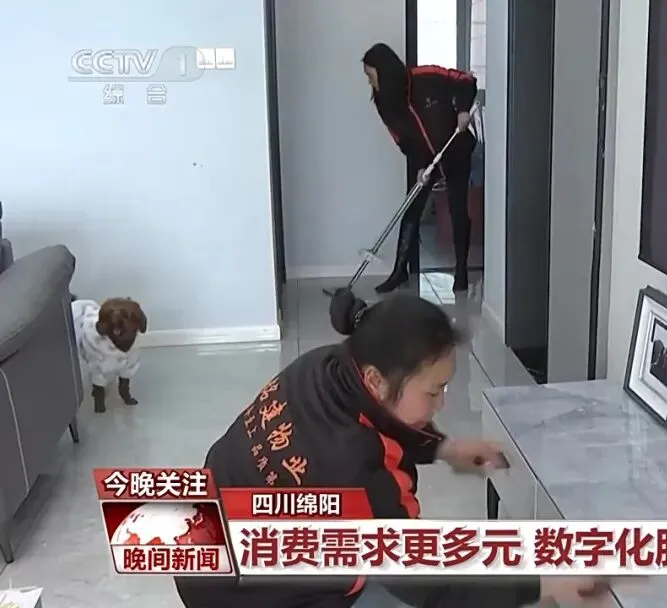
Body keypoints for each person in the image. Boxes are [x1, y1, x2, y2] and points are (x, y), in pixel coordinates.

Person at [174, 294, 609, 608]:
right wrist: (542, 583)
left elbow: (384, 418)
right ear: (376, 379)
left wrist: (445, 449)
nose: (442, 404)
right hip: (242, 592)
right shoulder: (355, 472)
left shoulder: (325, 365)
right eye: (433, 391)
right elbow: (427, 580)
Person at [363, 43, 478, 294]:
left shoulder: (425, 76)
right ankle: (399, 271)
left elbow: (465, 79)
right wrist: (419, 166)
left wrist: (462, 111)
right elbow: (402, 139)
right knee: (411, 209)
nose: (370, 83)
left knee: (458, 211)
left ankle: (461, 272)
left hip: (455, 152)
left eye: (371, 76)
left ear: (385, 71)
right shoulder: (384, 103)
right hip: (425, 161)